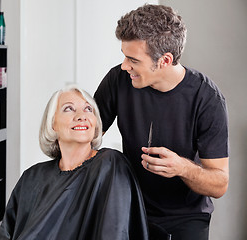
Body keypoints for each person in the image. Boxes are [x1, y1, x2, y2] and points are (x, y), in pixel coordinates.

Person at [94, 4, 229, 240]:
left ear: (165, 60)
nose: (125, 66)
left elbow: (219, 184)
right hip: (131, 207)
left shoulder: (207, 98)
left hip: (187, 218)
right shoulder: (118, 79)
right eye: (124, 56)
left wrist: (182, 167)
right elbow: (89, 137)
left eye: (133, 59)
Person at [0, 85, 149, 240]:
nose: (82, 116)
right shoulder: (32, 176)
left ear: (95, 123)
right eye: (69, 109)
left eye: (88, 109)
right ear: (53, 124)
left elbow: (114, 232)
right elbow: (7, 233)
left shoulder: (110, 165)